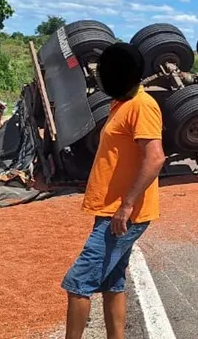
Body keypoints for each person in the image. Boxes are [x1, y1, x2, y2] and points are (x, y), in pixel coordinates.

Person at [61, 43, 166, 339]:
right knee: (112, 282)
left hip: (121, 215)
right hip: (110, 210)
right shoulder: (121, 104)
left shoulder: (142, 106)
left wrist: (127, 205)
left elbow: (155, 157)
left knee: (77, 283)